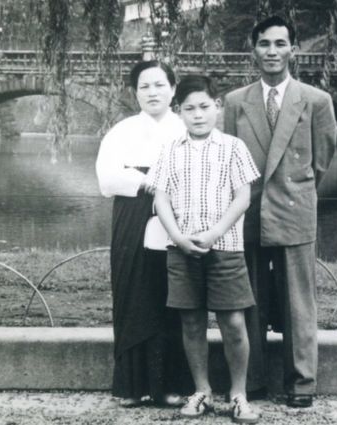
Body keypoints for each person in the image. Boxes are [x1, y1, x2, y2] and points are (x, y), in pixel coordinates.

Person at [223, 16, 337, 408]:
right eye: (265, 44)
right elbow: (229, 162)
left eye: (280, 44)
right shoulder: (236, 102)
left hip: (294, 211)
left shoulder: (316, 101)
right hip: (247, 212)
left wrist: (295, 191)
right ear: (253, 49)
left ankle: (301, 384)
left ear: (294, 49)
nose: (272, 52)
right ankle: (251, 380)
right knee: (247, 298)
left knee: (298, 302)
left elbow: (321, 161)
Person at [147, 75, 261, 423]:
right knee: (192, 322)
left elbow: (243, 197)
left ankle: (238, 394)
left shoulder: (233, 148)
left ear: (218, 106)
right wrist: (179, 237)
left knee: (233, 322)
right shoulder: (170, 149)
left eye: (205, 107)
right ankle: (202, 391)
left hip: (224, 247)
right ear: (178, 111)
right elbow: (161, 198)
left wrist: (214, 233)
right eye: (190, 109)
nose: (198, 115)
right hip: (181, 249)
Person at [95, 60, 190, 407]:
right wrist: (146, 181)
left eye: (160, 85)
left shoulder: (185, 128)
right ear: (135, 93)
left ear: (173, 89)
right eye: (145, 86)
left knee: (172, 299)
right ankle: (131, 386)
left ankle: (169, 385)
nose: (153, 92)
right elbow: (107, 179)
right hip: (132, 216)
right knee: (133, 295)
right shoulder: (122, 131)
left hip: (177, 217)